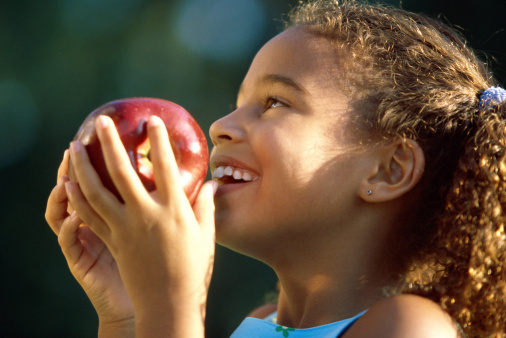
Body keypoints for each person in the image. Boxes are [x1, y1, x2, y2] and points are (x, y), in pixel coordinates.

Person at [45, 0, 506, 337]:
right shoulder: (260, 322)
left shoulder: (410, 328)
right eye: (237, 104)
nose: (220, 127)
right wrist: (127, 316)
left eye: (273, 103)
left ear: (388, 170)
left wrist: (170, 305)